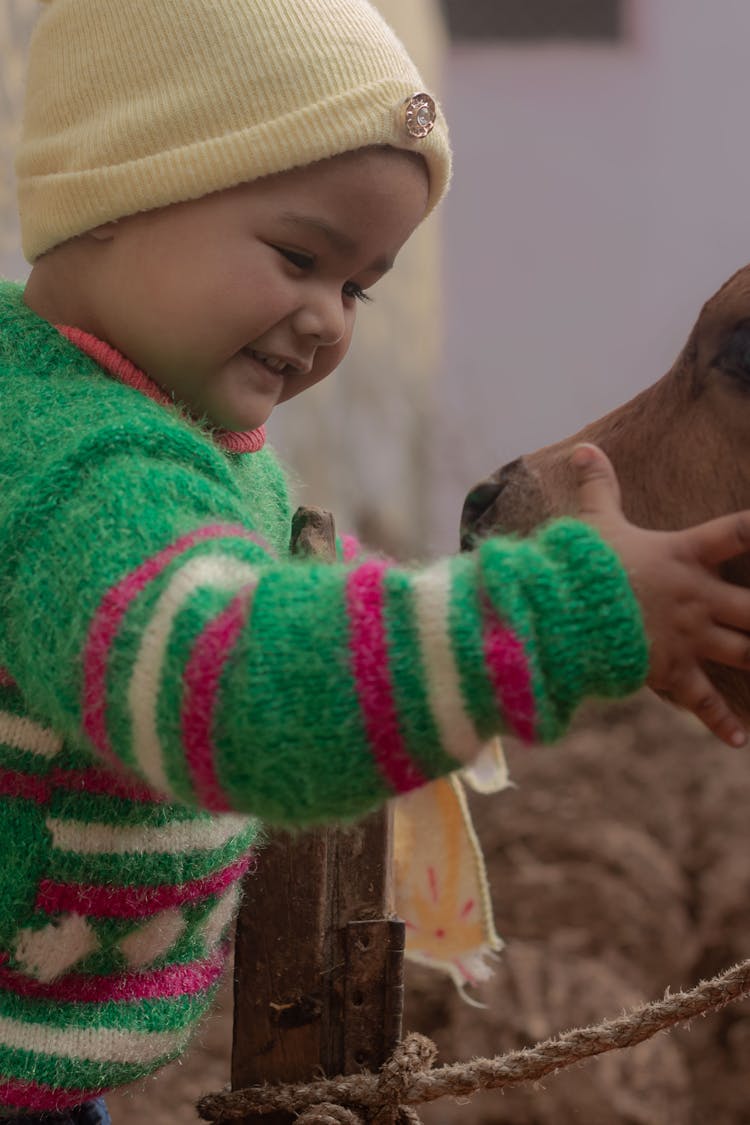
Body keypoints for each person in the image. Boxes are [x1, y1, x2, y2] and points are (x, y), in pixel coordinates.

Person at [2, 0, 750, 1119]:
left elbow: (281, 592)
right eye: (301, 257)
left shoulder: (167, 432)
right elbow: (241, 685)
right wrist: (559, 611)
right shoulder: (82, 472)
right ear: (123, 187)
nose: (328, 323)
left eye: (357, 288)